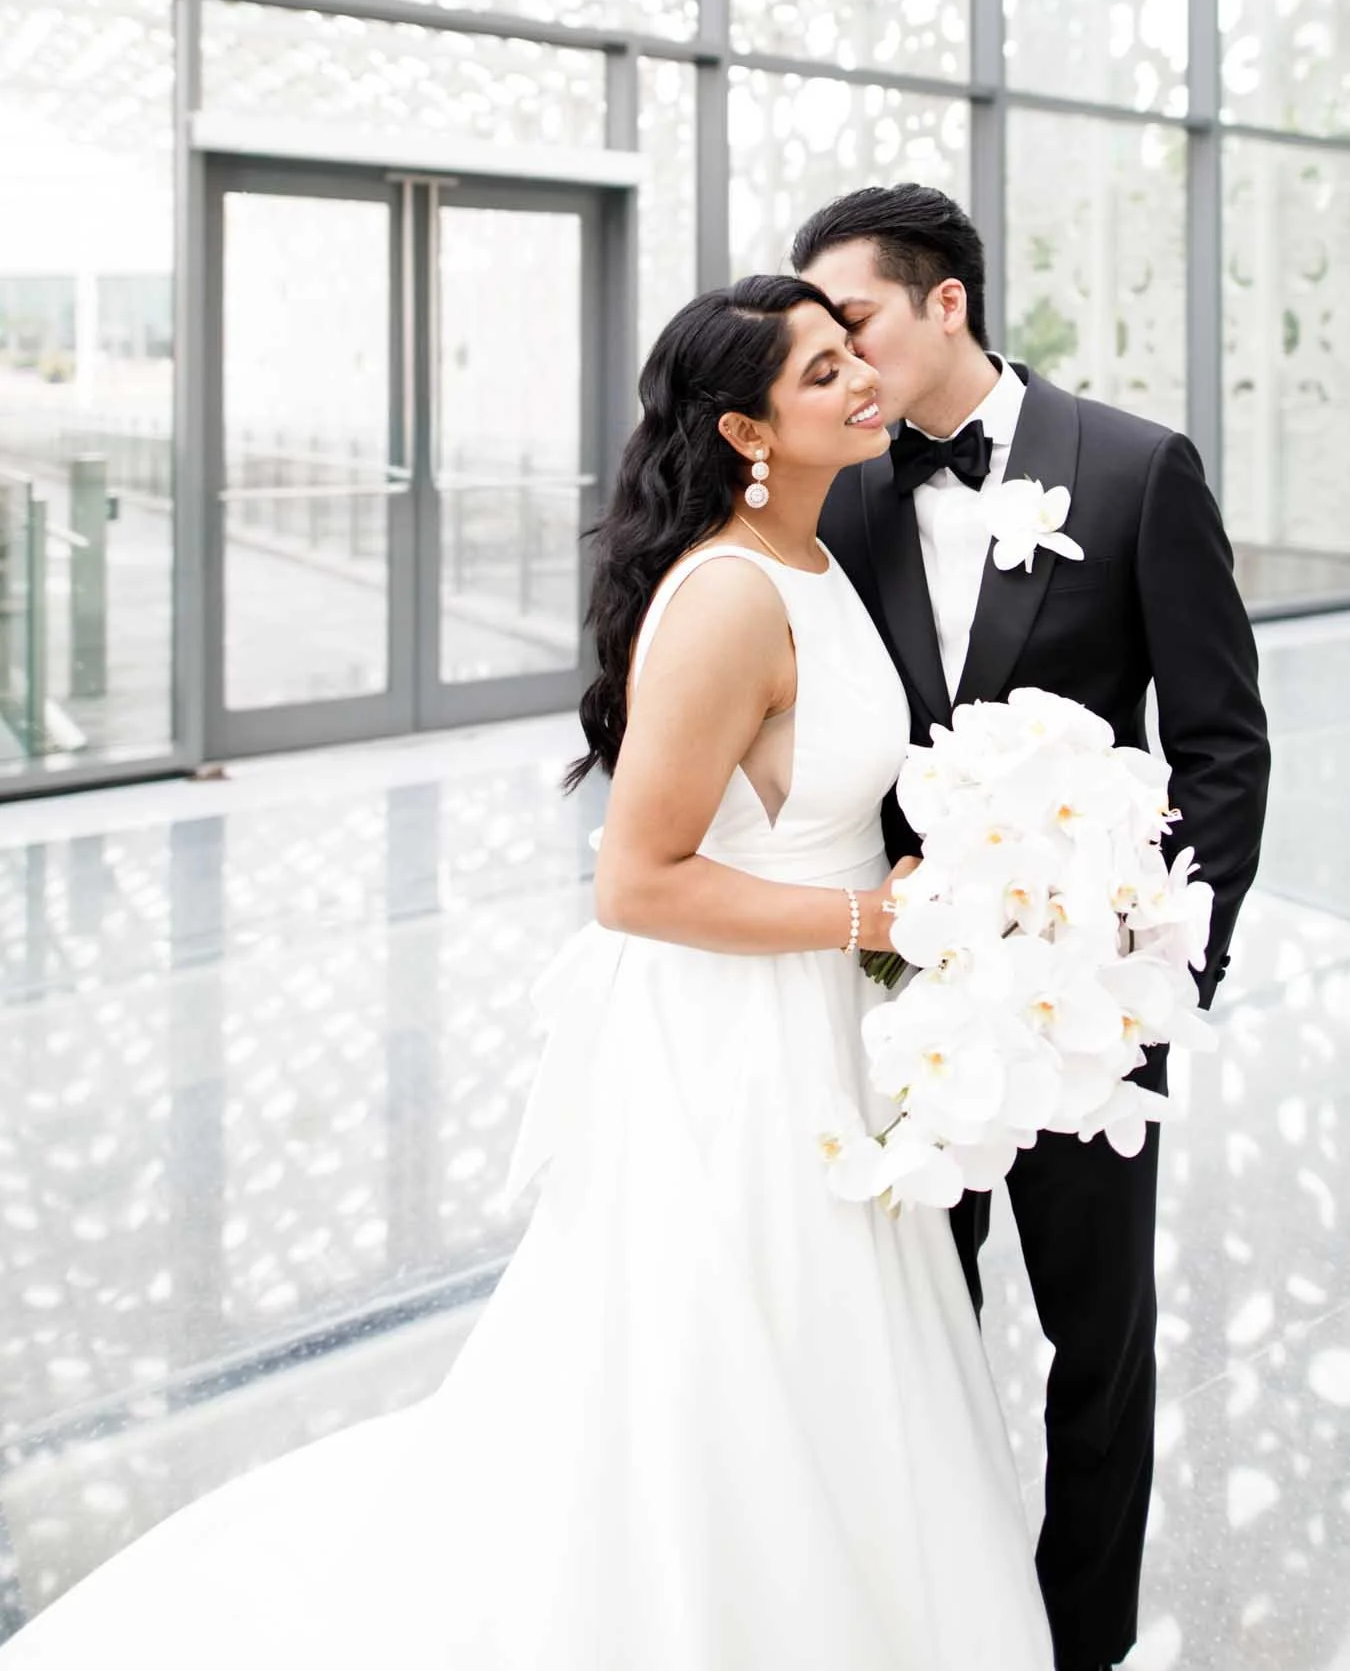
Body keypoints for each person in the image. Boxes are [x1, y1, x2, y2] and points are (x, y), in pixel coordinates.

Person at [6, 275, 1053, 1671]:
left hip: (820, 1036)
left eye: (848, 352)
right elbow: (635, 882)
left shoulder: (816, 559)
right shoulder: (730, 599)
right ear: (746, 428)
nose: (860, 379)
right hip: (735, 1052)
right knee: (726, 1369)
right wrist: (877, 923)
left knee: (832, 1364)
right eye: (819, 373)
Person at [796, 187, 1271, 1671]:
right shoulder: (845, 492)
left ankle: (1080, 1643)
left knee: (1097, 1349)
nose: (845, 364)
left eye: (854, 322)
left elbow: (1219, 746)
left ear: (944, 304)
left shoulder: (1133, 471)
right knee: (911, 1335)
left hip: (1084, 1011)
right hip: (891, 999)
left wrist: (1152, 973)